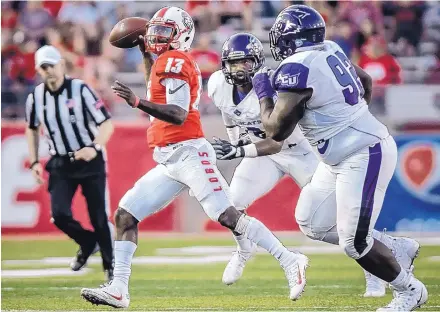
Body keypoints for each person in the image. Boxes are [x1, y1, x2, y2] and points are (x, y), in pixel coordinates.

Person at [80, 7, 308, 309]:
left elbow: (176, 113)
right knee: (125, 215)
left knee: (227, 215)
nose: (156, 38)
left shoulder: (175, 60)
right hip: (170, 159)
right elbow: (156, 88)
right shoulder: (165, 60)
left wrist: (136, 102)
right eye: (155, 32)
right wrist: (144, 53)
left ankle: (290, 259)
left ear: (182, 36)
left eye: (165, 32)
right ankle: (119, 288)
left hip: (188, 152)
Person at [209, 32, 421, 298]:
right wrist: (235, 140)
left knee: (336, 221)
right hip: (262, 155)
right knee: (231, 204)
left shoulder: (279, 81)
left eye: (246, 63)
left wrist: (240, 149)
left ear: (258, 61)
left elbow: (276, 139)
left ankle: (376, 268)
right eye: (234, 63)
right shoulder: (217, 84)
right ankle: (243, 251)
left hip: (302, 153)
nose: (239, 70)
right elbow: (229, 113)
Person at [252, 5, 428, 311]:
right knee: (313, 221)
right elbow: (367, 83)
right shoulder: (330, 48)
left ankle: (410, 291)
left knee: (354, 243)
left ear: (291, 39)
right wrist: (350, 119)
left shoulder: (297, 68)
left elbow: (275, 130)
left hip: (363, 152)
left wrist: (263, 94)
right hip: (339, 157)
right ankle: (396, 247)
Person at [25, 45, 114, 281]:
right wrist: (34, 160)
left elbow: (106, 124)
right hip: (61, 162)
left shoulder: (80, 89)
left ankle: (111, 269)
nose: (48, 72)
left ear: (62, 65)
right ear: (38, 70)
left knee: (98, 217)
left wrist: (93, 148)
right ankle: (87, 243)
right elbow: (32, 128)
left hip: (89, 160)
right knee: (59, 214)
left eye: (51, 66)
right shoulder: (36, 96)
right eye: (43, 68)